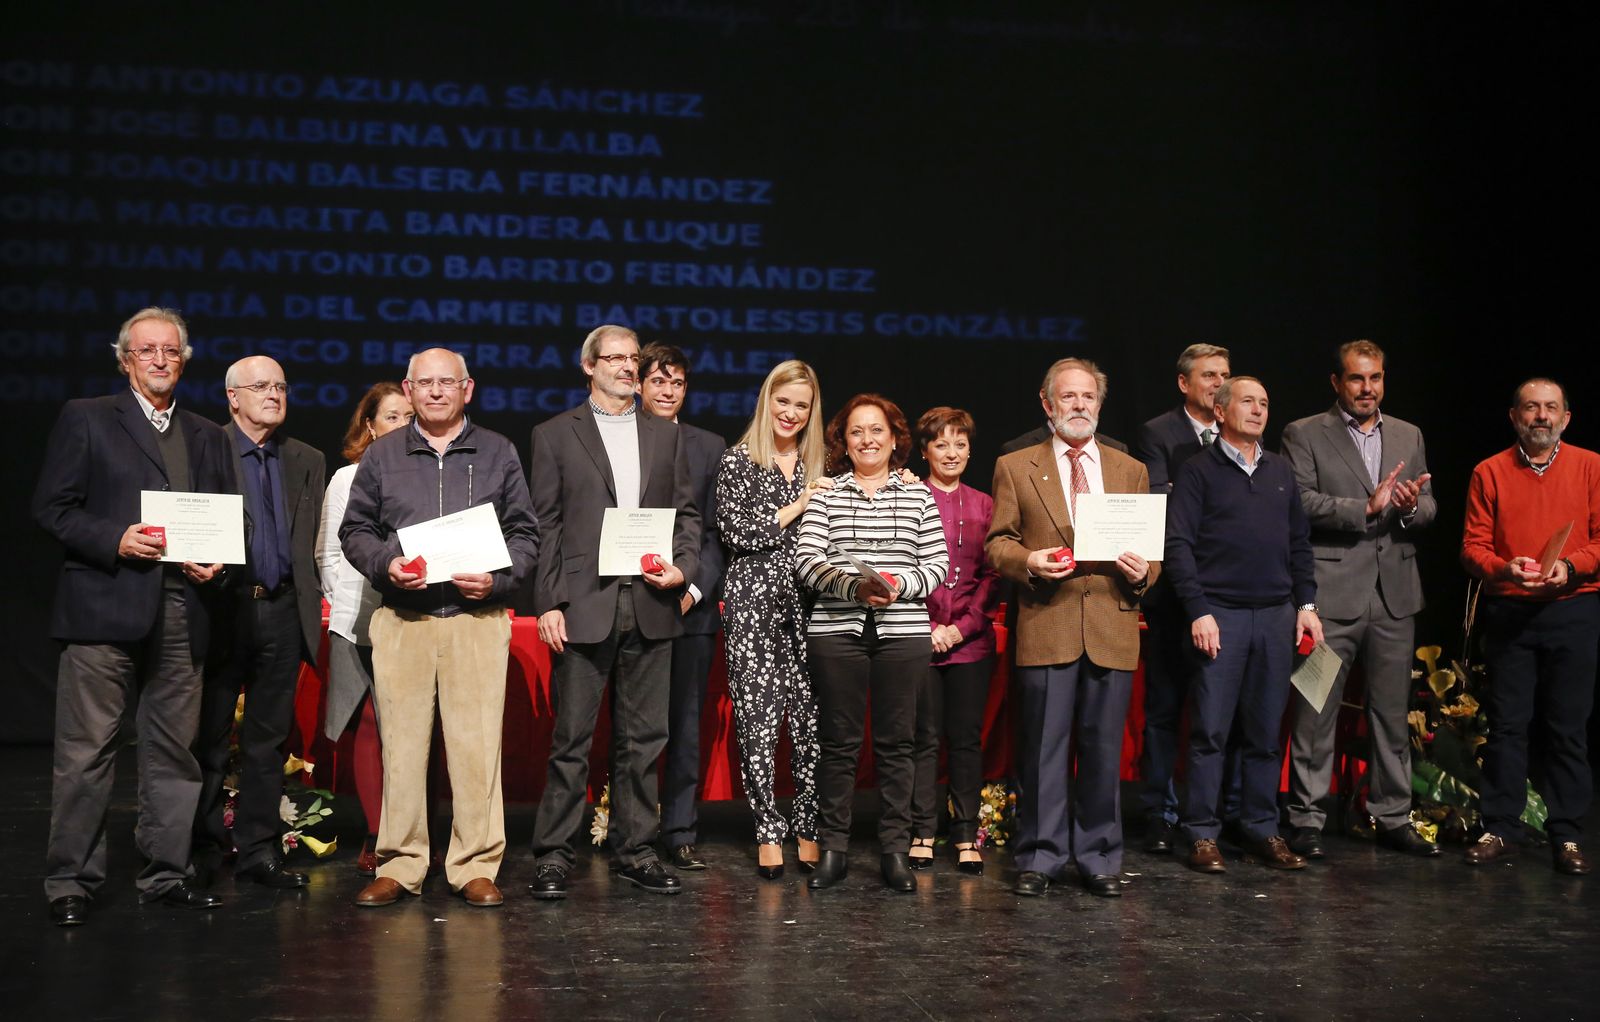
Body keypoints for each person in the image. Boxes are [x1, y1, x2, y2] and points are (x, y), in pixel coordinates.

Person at [33, 307, 234, 924]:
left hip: (182, 607)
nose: (159, 361)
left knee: (175, 752)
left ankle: (166, 874)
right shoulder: (88, 418)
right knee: (87, 752)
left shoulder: (206, 433)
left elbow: (228, 516)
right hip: (105, 604)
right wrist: (114, 538)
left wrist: (217, 561)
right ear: (125, 360)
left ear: (184, 359)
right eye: (146, 351)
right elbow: (53, 508)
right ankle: (71, 880)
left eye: (170, 351)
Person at [341, 348, 539, 908]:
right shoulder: (381, 456)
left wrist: (498, 583)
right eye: (423, 383)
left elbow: (526, 535)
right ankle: (400, 864)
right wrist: (386, 566)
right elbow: (356, 531)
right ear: (407, 389)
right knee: (401, 751)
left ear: (467, 389)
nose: (434, 392)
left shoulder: (498, 451)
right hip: (404, 621)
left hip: (475, 621)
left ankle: (474, 864)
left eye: (445, 383)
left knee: (476, 751)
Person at [528, 325, 701, 900]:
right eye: (616, 359)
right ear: (588, 365)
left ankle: (637, 850)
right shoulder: (555, 435)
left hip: (652, 600)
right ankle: (554, 854)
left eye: (634, 358)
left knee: (645, 739)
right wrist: (549, 599)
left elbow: (688, 516)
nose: (628, 367)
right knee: (572, 738)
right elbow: (545, 523)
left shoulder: (664, 435)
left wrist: (683, 567)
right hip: (585, 601)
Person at [986, 359, 1154, 898]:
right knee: (1042, 752)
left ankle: (1101, 857)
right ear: (1047, 403)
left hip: (1111, 622)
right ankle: (1040, 854)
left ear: (1099, 405)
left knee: (1104, 750)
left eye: (1088, 397)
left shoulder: (1129, 468)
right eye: (1069, 397)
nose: (1079, 405)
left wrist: (1143, 571)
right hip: (1048, 620)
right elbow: (997, 543)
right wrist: (1029, 561)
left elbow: (1152, 553)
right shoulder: (1016, 465)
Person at [1280, 340, 1440, 859]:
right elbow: (1299, 501)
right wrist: (1363, 507)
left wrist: (1414, 507)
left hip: (1394, 597)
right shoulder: (1304, 433)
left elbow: (1430, 505)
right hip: (1331, 599)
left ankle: (1392, 814)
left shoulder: (1407, 433)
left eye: (1375, 378)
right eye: (1356, 379)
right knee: (1315, 707)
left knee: (1393, 714)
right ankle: (1306, 816)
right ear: (1336, 382)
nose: (1367, 388)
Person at [1165, 376, 1323, 875]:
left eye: (1265, 402)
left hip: (1276, 615)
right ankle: (1203, 834)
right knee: (1210, 731)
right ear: (1220, 409)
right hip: (1222, 615)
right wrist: (1199, 610)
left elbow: (1299, 542)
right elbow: (1178, 547)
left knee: (1264, 733)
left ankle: (1261, 827)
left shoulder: (1280, 470)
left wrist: (1307, 603)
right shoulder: (1197, 471)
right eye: (1248, 402)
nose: (1258, 410)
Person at [796, 394, 948, 893]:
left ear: (894, 438)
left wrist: (897, 586)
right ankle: (833, 850)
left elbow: (938, 564)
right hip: (836, 633)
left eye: (877, 431)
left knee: (897, 746)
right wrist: (852, 587)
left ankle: (894, 852)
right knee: (838, 745)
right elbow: (807, 560)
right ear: (844, 440)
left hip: (902, 633)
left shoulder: (918, 495)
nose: (867, 440)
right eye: (857, 431)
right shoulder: (826, 494)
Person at [193, 356, 326, 892]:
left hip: (283, 610)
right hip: (223, 609)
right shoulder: (207, 447)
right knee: (208, 737)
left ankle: (258, 850)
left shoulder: (306, 458)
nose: (273, 394)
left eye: (280, 386)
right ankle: (201, 849)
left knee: (269, 742)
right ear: (232, 397)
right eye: (260, 387)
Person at [1460, 377, 1600, 875]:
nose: (1541, 416)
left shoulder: (1591, 466)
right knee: (1507, 727)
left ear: (1566, 417)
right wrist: (1504, 567)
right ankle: (1500, 826)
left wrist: (1573, 566)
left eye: (1550, 408)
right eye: (1531, 408)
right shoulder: (1489, 472)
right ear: (1514, 417)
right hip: (1511, 611)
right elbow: (1472, 547)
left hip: (1573, 608)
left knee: (1567, 727)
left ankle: (1566, 835)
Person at [715, 360, 830, 880]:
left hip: (810, 603)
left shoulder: (819, 465)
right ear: (767, 402)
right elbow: (738, 534)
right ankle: (767, 828)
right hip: (753, 604)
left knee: (809, 720)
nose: (790, 413)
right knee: (758, 722)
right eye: (782, 402)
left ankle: (807, 823)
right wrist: (798, 506)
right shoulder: (738, 461)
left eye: (801, 406)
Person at [1133, 343, 1234, 854]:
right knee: (1165, 709)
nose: (1219, 384)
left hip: (1230, 594)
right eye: (1209, 375)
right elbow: (1161, 504)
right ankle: (1158, 809)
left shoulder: (1242, 434)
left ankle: (1217, 810)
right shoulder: (1159, 432)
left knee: (1220, 712)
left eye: (1224, 375)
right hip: (1175, 593)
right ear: (1184, 383)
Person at [316, 383, 415, 876]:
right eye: (391, 416)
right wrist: (346, 601)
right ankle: (377, 836)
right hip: (359, 619)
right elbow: (328, 554)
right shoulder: (347, 478)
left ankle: (415, 832)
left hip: (415, 617)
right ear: (370, 425)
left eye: (408, 416)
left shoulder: (426, 477)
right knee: (372, 724)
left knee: (417, 730)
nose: (401, 424)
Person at [637, 343, 727, 872]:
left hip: (691, 608)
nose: (668, 392)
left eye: (677, 384)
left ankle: (680, 829)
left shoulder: (708, 445)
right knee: (637, 727)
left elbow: (716, 533)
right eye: (658, 382)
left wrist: (694, 587)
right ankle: (632, 825)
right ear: (640, 386)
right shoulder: (619, 440)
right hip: (630, 604)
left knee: (685, 722)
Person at [909, 407, 999, 876]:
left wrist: (960, 628)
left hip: (971, 643)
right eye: (941, 444)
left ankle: (966, 833)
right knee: (922, 739)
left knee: (965, 740)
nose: (952, 453)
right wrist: (928, 629)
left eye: (960, 444)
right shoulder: (909, 497)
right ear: (925, 450)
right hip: (918, 638)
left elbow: (991, 576)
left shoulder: (986, 504)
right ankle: (922, 829)